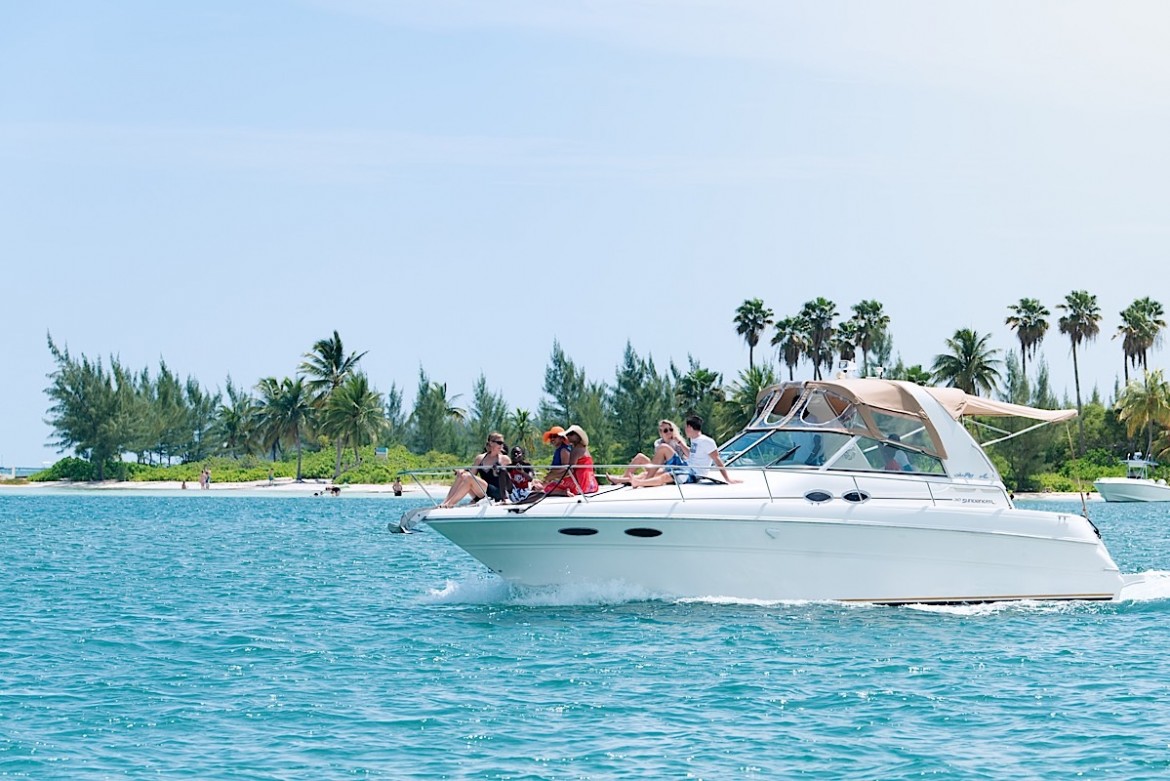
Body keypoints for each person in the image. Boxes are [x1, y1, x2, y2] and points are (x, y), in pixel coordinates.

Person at [438, 432, 512, 508]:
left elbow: (511, 481)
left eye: (502, 443)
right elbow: (471, 474)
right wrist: (462, 471)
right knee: (462, 475)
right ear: (491, 443)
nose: (501, 446)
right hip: (483, 491)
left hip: (497, 491)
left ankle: (450, 504)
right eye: (499, 443)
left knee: (468, 477)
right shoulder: (480, 458)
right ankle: (445, 502)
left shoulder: (504, 459)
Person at [613, 420, 691, 488]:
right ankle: (624, 479)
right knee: (640, 457)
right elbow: (659, 462)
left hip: (676, 468)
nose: (669, 432)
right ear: (661, 433)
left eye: (671, 429)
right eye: (665, 430)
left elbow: (689, 455)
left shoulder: (678, 442)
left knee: (644, 474)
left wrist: (680, 443)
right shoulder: (658, 443)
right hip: (662, 467)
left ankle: (622, 480)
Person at [542, 424, 599, 496]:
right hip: (592, 485)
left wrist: (552, 476)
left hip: (581, 486)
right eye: (567, 434)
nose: (568, 436)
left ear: (578, 436)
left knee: (548, 487)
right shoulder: (585, 449)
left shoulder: (575, 450)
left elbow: (569, 471)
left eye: (570, 434)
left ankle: (564, 492)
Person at [682, 415, 739, 484]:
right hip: (687, 468)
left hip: (695, 473)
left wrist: (727, 479)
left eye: (685, 427)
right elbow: (692, 455)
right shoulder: (693, 440)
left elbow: (717, 459)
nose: (685, 430)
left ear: (689, 427)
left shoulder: (706, 441)